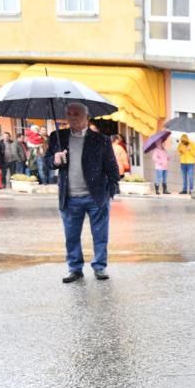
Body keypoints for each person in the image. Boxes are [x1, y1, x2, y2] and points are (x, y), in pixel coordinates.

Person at [45, 102, 120, 283]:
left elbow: (111, 166)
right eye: (69, 114)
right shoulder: (58, 137)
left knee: (100, 235)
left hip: (96, 196)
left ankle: (100, 266)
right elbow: (47, 161)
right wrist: (55, 160)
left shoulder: (100, 139)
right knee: (71, 236)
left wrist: (111, 191)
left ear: (87, 117)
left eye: (76, 114)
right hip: (69, 197)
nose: (72, 117)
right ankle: (74, 268)